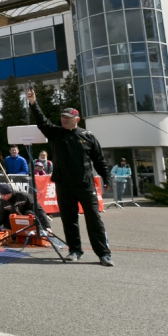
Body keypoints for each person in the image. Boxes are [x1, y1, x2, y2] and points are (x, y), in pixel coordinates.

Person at [28, 90, 114, 267]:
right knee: (69, 220)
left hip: (85, 185)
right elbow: (41, 121)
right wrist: (33, 103)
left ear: (77, 119)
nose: (64, 120)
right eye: (62, 117)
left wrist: (106, 178)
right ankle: (74, 250)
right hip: (63, 184)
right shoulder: (55, 133)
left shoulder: (88, 136)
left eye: (68, 117)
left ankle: (104, 254)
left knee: (94, 220)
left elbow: (99, 160)